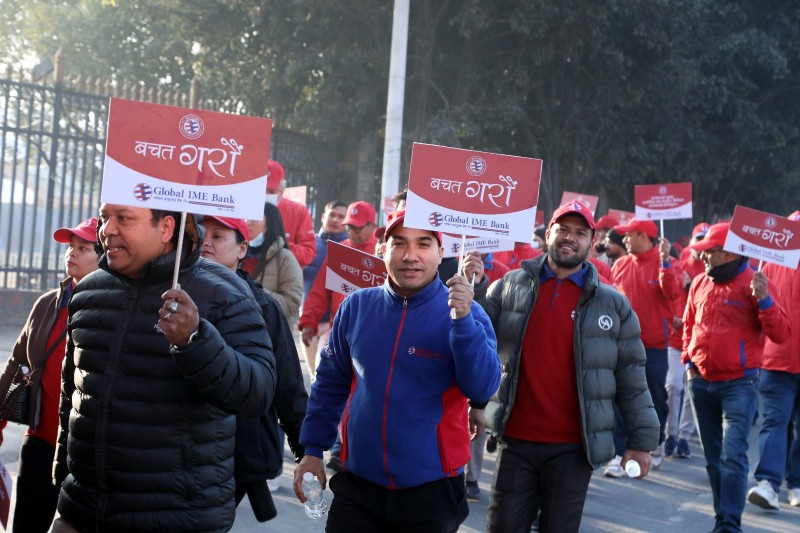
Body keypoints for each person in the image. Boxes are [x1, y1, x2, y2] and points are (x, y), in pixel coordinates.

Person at [52, 204, 277, 532]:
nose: (107, 230)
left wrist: (196, 341)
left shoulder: (224, 294)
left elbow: (257, 392)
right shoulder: (89, 289)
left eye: (123, 219)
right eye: (104, 218)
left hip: (175, 517)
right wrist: (62, 473)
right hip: (81, 510)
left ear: (166, 228)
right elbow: (72, 392)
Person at [293, 209, 501, 532]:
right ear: (383, 249)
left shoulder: (466, 311)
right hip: (358, 485)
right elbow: (330, 384)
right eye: (399, 243)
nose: (410, 256)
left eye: (423, 244)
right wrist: (312, 450)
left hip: (431, 490)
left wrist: (462, 323)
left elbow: (482, 387)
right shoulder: (357, 306)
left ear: (441, 252)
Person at [481, 201, 659, 532]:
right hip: (516, 441)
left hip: (573, 449)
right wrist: (474, 286)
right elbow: (475, 347)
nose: (569, 238)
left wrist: (640, 442)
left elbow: (632, 378)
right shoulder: (507, 287)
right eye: (562, 229)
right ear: (548, 233)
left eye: (579, 232)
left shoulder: (614, 305)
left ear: (592, 242)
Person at [682, 222, 789, 532]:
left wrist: (765, 299)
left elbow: (781, 333)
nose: (701, 258)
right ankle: (722, 518)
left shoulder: (755, 283)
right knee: (714, 459)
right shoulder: (701, 282)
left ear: (728, 253)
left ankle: (729, 523)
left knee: (732, 456)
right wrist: (689, 363)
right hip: (700, 382)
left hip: (739, 384)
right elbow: (690, 324)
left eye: (708, 253)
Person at [200, 215, 308, 522]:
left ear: (241, 249)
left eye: (218, 236)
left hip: (240, 451)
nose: (206, 241)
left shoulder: (263, 306)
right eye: (200, 232)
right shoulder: (176, 296)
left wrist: (306, 453)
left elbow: (288, 385)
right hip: (182, 449)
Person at [0, 217, 99, 533]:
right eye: (71, 247)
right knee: (27, 524)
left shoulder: (113, 310)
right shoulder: (47, 304)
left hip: (85, 451)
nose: (71, 253)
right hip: (41, 440)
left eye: (83, 248)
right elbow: (16, 364)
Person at [610, 217, 682, 469]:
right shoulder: (619, 264)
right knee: (618, 396)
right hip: (622, 343)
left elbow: (673, 293)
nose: (625, 240)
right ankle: (618, 453)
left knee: (653, 397)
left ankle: (655, 441)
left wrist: (664, 263)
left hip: (653, 345)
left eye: (630, 235)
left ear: (644, 236)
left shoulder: (667, 263)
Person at [747, 209, 800, 510]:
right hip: (775, 359)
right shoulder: (768, 263)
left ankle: (796, 483)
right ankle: (767, 482)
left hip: (775, 359)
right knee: (775, 421)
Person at [301, 200, 348, 380]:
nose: (335, 220)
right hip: (308, 318)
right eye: (332, 215)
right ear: (323, 217)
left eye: (341, 216)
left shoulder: (351, 251)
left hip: (333, 324)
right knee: (313, 375)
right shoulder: (308, 244)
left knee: (324, 377)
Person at [242, 202, 304, 325]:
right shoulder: (237, 253)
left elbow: (291, 304)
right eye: (246, 217)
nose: (247, 222)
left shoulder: (285, 258)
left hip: (270, 335)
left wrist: (253, 291)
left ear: (270, 224)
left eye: (254, 218)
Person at [266, 159, 317, 268]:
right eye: (261, 189)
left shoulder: (299, 212)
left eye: (271, 191)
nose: (265, 195)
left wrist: (279, 244)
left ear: (282, 189)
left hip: (283, 278)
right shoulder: (243, 208)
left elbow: (308, 254)